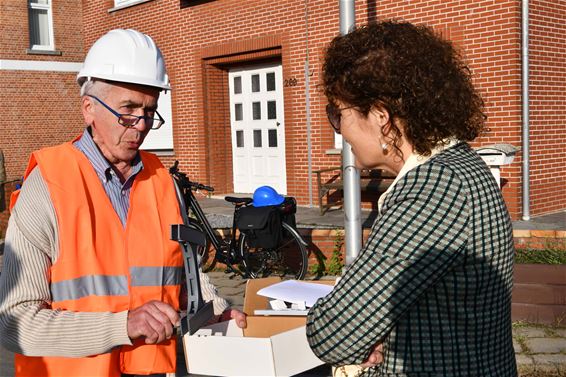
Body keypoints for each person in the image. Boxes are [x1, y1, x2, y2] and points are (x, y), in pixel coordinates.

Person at [0, 29, 245, 376]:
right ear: (88, 108)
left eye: (150, 111)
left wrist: (215, 310)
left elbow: (183, 273)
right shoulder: (47, 185)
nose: (141, 126)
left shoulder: (163, 180)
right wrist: (122, 326)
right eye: (128, 110)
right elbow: (15, 323)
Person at [306, 21, 517, 376]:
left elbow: (334, 334)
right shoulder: (461, 164)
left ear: (380, 115)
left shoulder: (432, 189)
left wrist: (358, 332)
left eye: (338, 114)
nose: (339, 131)